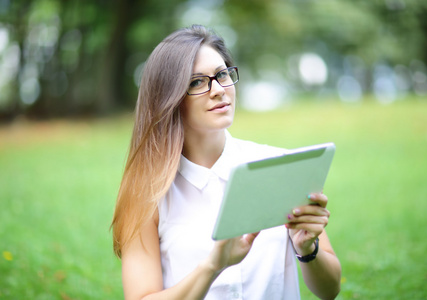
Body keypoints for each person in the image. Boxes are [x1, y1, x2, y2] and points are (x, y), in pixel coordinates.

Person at [111, 24, 341, 300]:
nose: (219, 90)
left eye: (222, 74)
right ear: (168, 98)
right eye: (196, 82)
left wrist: (308, 250)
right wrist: (212, 266)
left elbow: (330, 290)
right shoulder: (144, 193)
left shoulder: (279, 166)